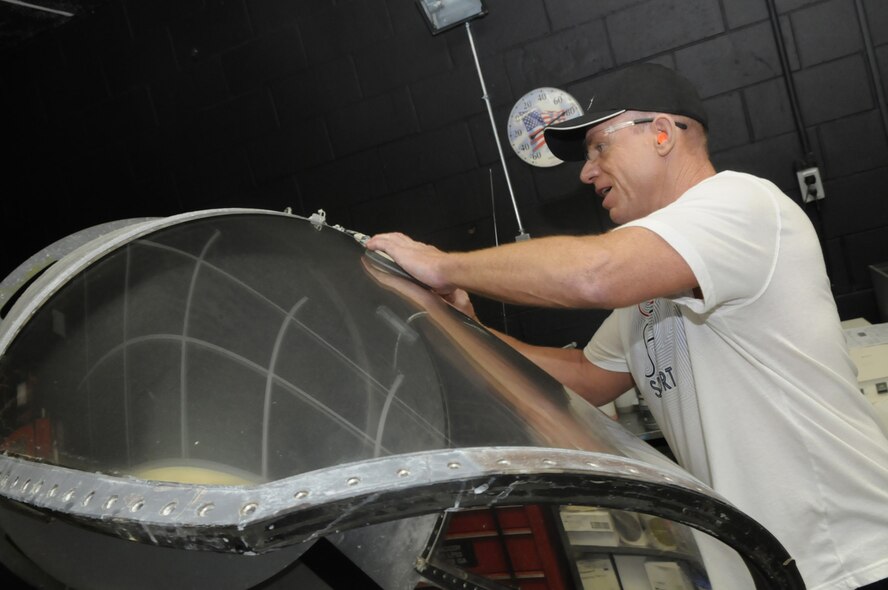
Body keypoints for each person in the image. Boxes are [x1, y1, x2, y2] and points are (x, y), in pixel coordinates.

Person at [367, 63, 888, 589]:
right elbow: (582, 379)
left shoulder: (742, 205)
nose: (586, 172)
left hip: (850, 561)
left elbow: (597, 274)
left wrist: (444, 265)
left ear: (661, 134)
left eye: (599, 148)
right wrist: (463, 323)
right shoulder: (655, 286)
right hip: (767, 570)